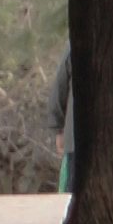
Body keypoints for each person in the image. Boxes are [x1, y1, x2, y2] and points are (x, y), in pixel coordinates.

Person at [46, 44, 75, 193]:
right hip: (75, 143)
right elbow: (60, 88)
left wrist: (57, 127)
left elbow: (60, 88)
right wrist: (57, 127)